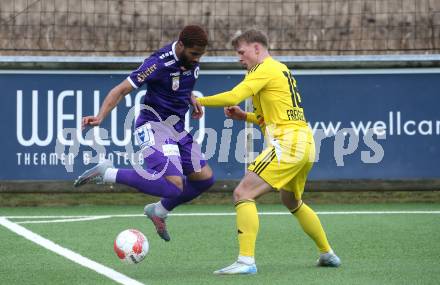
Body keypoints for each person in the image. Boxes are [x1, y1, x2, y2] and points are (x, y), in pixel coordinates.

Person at [196, 29, 341, 275]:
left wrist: (198, 100)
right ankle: (327, 253)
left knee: (243, 193)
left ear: (257, 48)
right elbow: (270, 118)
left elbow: (233, 95)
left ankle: (245, 261)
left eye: (241, 52)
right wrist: (244, 116)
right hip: (305, 143)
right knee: (291, 200)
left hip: (289, 144)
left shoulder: (263, 69)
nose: (239, 58)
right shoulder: (280, 69)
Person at [74, 25, 214, 242]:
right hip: (153, 126)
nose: (197, 59)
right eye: (194, 54)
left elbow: (178, 85)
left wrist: (191, 97)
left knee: (204, 179)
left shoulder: (191, 61)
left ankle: (158, 211)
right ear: (181, 44)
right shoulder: (157, 63)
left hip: (177, 128)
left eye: (201, 55)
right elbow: (120, 89)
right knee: (174, 186)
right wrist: (100, 116)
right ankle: (107, 173)